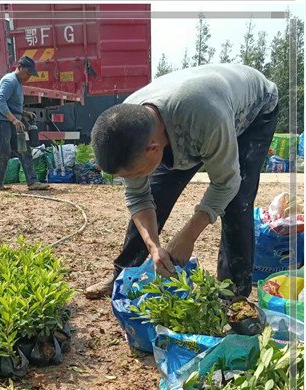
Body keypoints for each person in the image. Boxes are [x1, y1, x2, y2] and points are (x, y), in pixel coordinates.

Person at [86, 63, 279, 299]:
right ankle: (123, 274)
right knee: (156, 194)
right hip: (193, 113)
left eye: (135, 173)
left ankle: (233, 295)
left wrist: (187, 236)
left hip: (253, 110)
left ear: (154, 149)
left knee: (236, 202)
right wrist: (154, 247)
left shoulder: (206, 119)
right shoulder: (126, 126)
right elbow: (139, 197)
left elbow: (226, 182)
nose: (134, 180)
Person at [0, 55, 50, 191]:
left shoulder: (17, 82)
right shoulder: (9, 81)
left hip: (11, 123)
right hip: (2, 123)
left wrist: (24, 113)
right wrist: (14, 119)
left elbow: (11, 104)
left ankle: (33, 182)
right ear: (19, 67)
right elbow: (0, 102)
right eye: (28, 73)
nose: (28, 77)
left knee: (24, 151)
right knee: (3, 153)